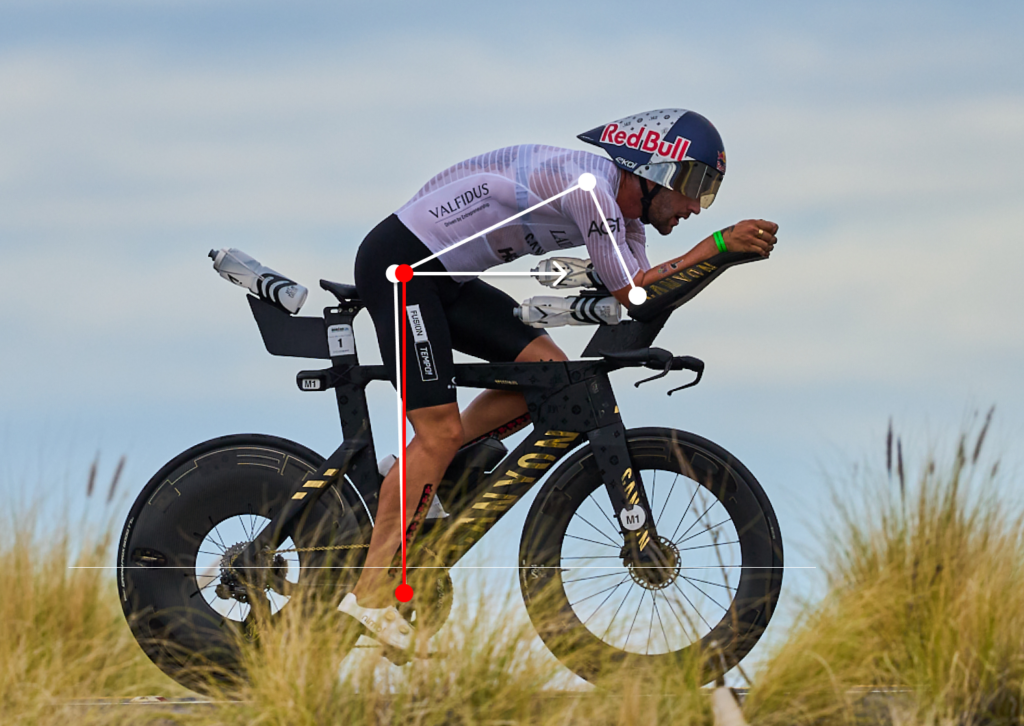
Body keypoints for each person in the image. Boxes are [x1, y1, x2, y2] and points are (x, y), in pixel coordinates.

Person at [338, 109, 779, 651]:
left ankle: (415, 471)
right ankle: (370, 599)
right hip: (403, 267)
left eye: (708, 193)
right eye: (693, 186)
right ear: (654, 169)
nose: (695, 206)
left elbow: (648, 298)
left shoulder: (627, 222)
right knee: (439, 433)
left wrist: (721, 259)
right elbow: (635, 292)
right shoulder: (591, 188)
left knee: (551, 376)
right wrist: (717, 246)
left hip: (444, 278)